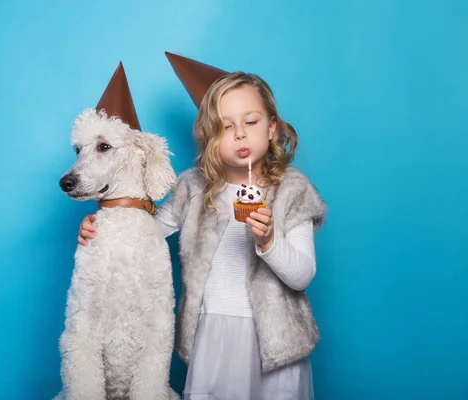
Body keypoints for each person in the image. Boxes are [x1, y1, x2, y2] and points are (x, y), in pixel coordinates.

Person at [78, 71, 327, 400]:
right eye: (225, 126)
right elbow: (146, 233)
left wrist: (268, 242)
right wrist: (104, 226)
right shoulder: (193, 188)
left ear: (271, 128)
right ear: (211, 137)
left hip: (275, 343)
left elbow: (302, 276)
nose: (239, 135)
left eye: (250, 122)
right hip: (212, 337)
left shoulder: (292, 191)